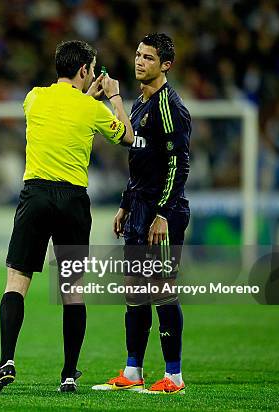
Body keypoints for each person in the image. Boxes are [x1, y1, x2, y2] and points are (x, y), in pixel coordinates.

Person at [0, 40, 134, 394]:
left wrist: (87, 97)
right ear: (84, 71)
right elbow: (127, 136)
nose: (94, 75)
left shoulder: (33, 97)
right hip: (73, 201)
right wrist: (112, 98)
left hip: (35, 195)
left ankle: (6, 362)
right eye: (92, 70)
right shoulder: (91, 109)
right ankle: (68, 374)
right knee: (72, 290)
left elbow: (64, 111)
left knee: (16, 282)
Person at [91, 33, 191, 394]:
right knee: (135, 292)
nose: (139, 62)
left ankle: (174, 376)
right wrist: (124, 203)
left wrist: (163, 213)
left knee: (162, 291)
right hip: (138, 209)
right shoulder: (139, 103)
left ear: (165, 65)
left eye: (148, 58)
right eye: (138, 55)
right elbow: (139, 163)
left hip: (163, 212)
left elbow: (178, 166)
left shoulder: (170, 107)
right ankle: (133, 371)